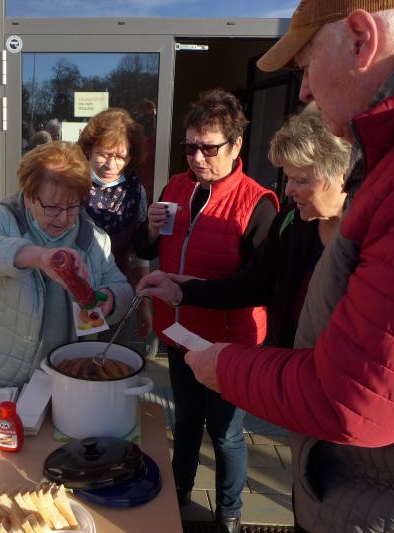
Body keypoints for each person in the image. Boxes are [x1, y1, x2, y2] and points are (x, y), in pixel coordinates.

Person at [183, 2, 394, 532]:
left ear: (360, 38)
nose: (305, 90)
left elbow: (355, 398)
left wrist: (227, 368)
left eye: (307, 64)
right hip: (350, 486)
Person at [133, 88, 279, 532]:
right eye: (191, 146)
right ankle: (178, 495)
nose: (198, 158)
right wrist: (149, 230)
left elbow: (257, 287)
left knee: (227, 433)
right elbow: (146, 249)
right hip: (180, 333)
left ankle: (229, 513)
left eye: (209, 148)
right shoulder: (177, 186)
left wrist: (185, 293)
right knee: (186, 420)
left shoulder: (258, 203)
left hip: (229, 341)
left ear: (236, 145)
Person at [139, 104, 351, 348]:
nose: (288, 190)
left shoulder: (370, 239)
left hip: (235, 343)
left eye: (301, 180)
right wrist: (180, 292)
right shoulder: (292, 221)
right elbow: (255, 283)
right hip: (194, 336)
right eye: (288, 178)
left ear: (344, 174)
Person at [0, 141, 132, 392]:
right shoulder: (6, 220)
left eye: (73, 206)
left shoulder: (94, 239)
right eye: (53, 207)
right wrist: (38, 256)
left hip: (65, 375)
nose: (63, 218)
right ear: (29, 197)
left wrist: (110, 299)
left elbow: (122, 289)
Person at [77, 107, 152, 339]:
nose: (111, 165)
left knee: (110, 356)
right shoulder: (71, 185)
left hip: (116, 295)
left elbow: (137, 256)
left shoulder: (135, 193)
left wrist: (143, 304)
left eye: (120, 157)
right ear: (88, 149)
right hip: (72, 294)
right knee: (74, 356)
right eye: (103, 154)